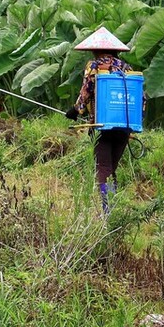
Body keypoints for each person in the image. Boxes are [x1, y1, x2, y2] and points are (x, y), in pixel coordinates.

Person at [64, 27, 135, 214]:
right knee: (111, 167)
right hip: (124, 125)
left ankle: (109, 212)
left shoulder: (94, 66)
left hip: (101, 125)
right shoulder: (127, 68)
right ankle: (113, 210)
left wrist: (76, 110)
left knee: (103, 168)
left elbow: (86, 90)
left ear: (95, 50)